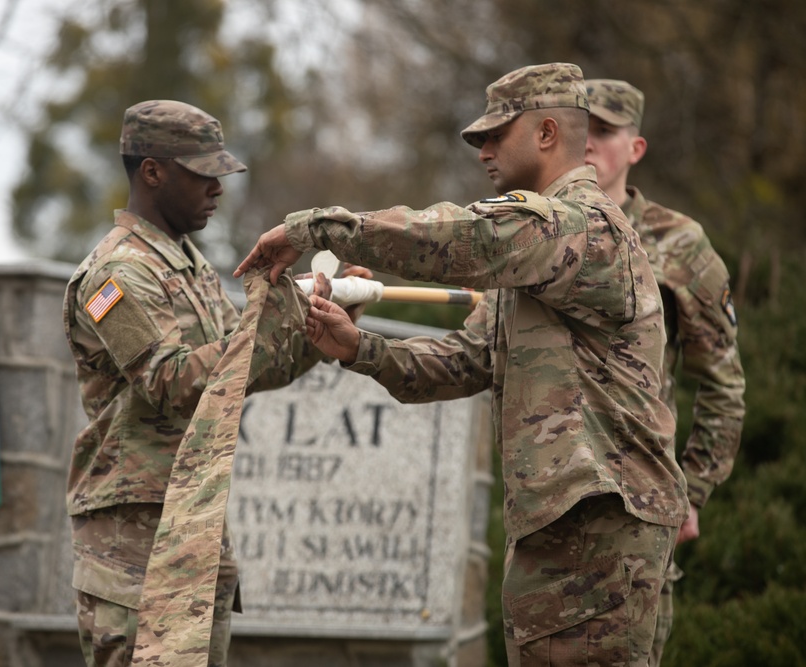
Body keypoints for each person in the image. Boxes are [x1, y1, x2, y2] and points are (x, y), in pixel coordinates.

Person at [236, 63, 689, 666]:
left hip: (599, 529)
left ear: (548, 133)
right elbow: (464, 361)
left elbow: (462, 241)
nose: (483, 151)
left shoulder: (579, 224)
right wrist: (358, 348)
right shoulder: (539, 255)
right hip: (564, 527)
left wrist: (319, 229)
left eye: (496, 135)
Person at [62, 100, 366, 667]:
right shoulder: (117, 274)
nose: (218, 187)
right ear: (152, 171)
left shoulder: (189, 265)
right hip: (136, 543)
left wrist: (321, 320)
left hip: (191, 527)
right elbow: (170, 380)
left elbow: (245, 372)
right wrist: (274, 316)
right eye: (203, 172)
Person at [584, 78, 746, 665]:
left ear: (636, 148)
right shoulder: (534, 234)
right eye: (578, 129)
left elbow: (723, 383)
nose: (587, 145)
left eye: (603, 132)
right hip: (547, 523)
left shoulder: (680, 244)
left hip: (637, 517)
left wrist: (694, 491)